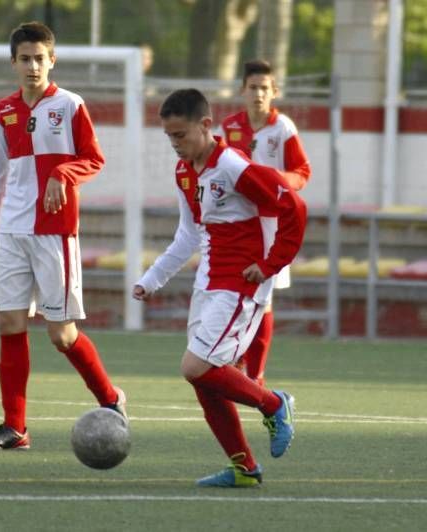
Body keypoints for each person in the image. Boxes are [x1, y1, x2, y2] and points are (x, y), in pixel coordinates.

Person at [133, 88, 307, 487]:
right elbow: (188, 235)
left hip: (241, 285)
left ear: (206, 125)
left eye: (180, 135)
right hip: (209, 280)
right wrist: (151, 278)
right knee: (204, 375)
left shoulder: (232, 165)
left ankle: (275, 403)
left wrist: (268, 266)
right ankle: (244, 468)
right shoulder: (184, 172)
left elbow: (293, 207)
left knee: (195, 366)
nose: (175, 144)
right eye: (169, 137)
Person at [0, 21, 125, 451]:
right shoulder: (2, 111)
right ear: (14, 64)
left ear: (52, 61)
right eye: (25, 59)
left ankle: (111, 399)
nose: (33, 66)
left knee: (61, 335)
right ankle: (15, 428)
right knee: (9, 323)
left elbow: (93, 159)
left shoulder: (71, 105)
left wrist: (63, 172)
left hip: (55, 234)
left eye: (40, 58)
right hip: (13, 233)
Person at [217, 59, 312, 388]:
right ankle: (235, 357)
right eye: (252, 87)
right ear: (242, 90)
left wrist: (278, 181)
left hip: (271, 223)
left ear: (275, 92)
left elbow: (302, 172)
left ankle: (255, 374)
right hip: (237, 221)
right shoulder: (228, 127)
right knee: (236, 290)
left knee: (263, 298)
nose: (258, 94)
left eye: (264, 88)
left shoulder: (282, 128)